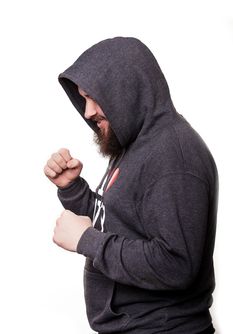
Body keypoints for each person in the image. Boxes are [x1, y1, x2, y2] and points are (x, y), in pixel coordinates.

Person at [44, 37, 218, 334]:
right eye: (83, 99)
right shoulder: (137, 145)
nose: (87, 112)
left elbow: (176, 265)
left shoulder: (174, 156)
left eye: (94, 97)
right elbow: (121, 221)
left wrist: (87, 241)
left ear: (126, 90)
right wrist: (73, 190)